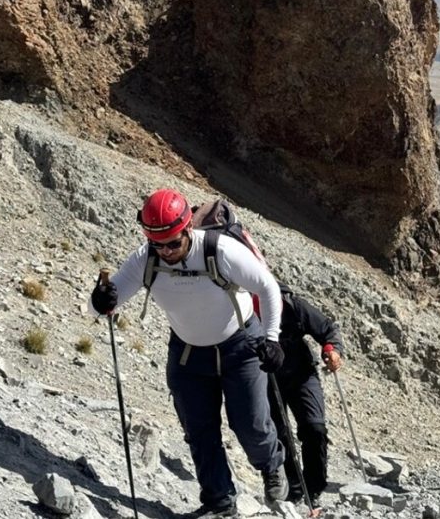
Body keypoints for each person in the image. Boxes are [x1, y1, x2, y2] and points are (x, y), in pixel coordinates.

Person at [90, 189, 287, 517]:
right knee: (199, 430)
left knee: (250, 425)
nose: (165, 251)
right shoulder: (146, 259)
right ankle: (220, 502)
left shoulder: (220, 250)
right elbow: (104, 304)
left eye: (172, 243)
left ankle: (270, 464)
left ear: (187, 230)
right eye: (158, 244)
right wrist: (99, 302)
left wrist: (272, 338)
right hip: (188, 355)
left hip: (240, 345)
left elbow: (267, 287)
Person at [263, 284, 344, 507]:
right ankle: (294, 490)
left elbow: (327, 329)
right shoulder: (244, 310)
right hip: (266, 379)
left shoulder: (294, 306)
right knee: (281, 434)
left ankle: (315, 488)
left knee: (315, 427)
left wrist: (332, 349)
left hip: (301, 374)